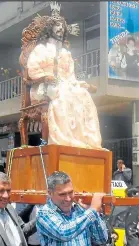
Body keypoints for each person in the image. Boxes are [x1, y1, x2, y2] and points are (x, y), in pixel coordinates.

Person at [20, 2, 103, 149]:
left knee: (83, 95)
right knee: (62, 96)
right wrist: (46, 77)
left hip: (64, 85)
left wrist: (79, 84)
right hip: (42, 87)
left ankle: (86, 141)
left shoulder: (66, 53)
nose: (60, 28)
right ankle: (62, 139)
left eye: (62, 26)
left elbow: (70, 76)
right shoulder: (40, 49)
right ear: (49, 28)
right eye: (56, 25)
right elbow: (32, 72)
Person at [36, 171, 108, 246]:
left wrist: (94, 213)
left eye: (70, 192)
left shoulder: (81, 210)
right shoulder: (44, 213)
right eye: (62, 194)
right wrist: (92, 211)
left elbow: (101, 239)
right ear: (50, 193)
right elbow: (63, 233)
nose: (68, 198)